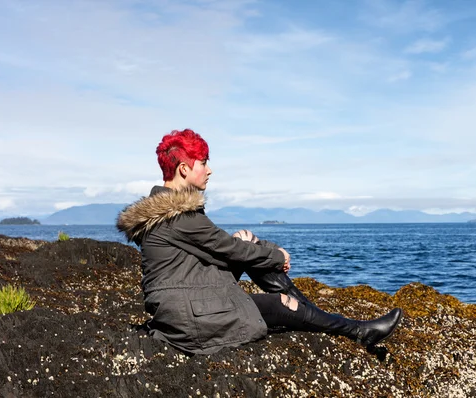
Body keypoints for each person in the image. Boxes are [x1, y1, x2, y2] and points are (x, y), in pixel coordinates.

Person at [117, 129, 403, 355]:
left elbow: (219, 248)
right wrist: (277, 256)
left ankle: (317, 316)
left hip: (191, 297)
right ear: (183, 169)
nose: (209, 170)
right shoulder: (177, 216)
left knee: (249, 243)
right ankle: (355, 330)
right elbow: (227, 249)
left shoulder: (169, 211)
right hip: (189, 316)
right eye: (203, 163)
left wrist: (262, 250)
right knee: (279, 301)